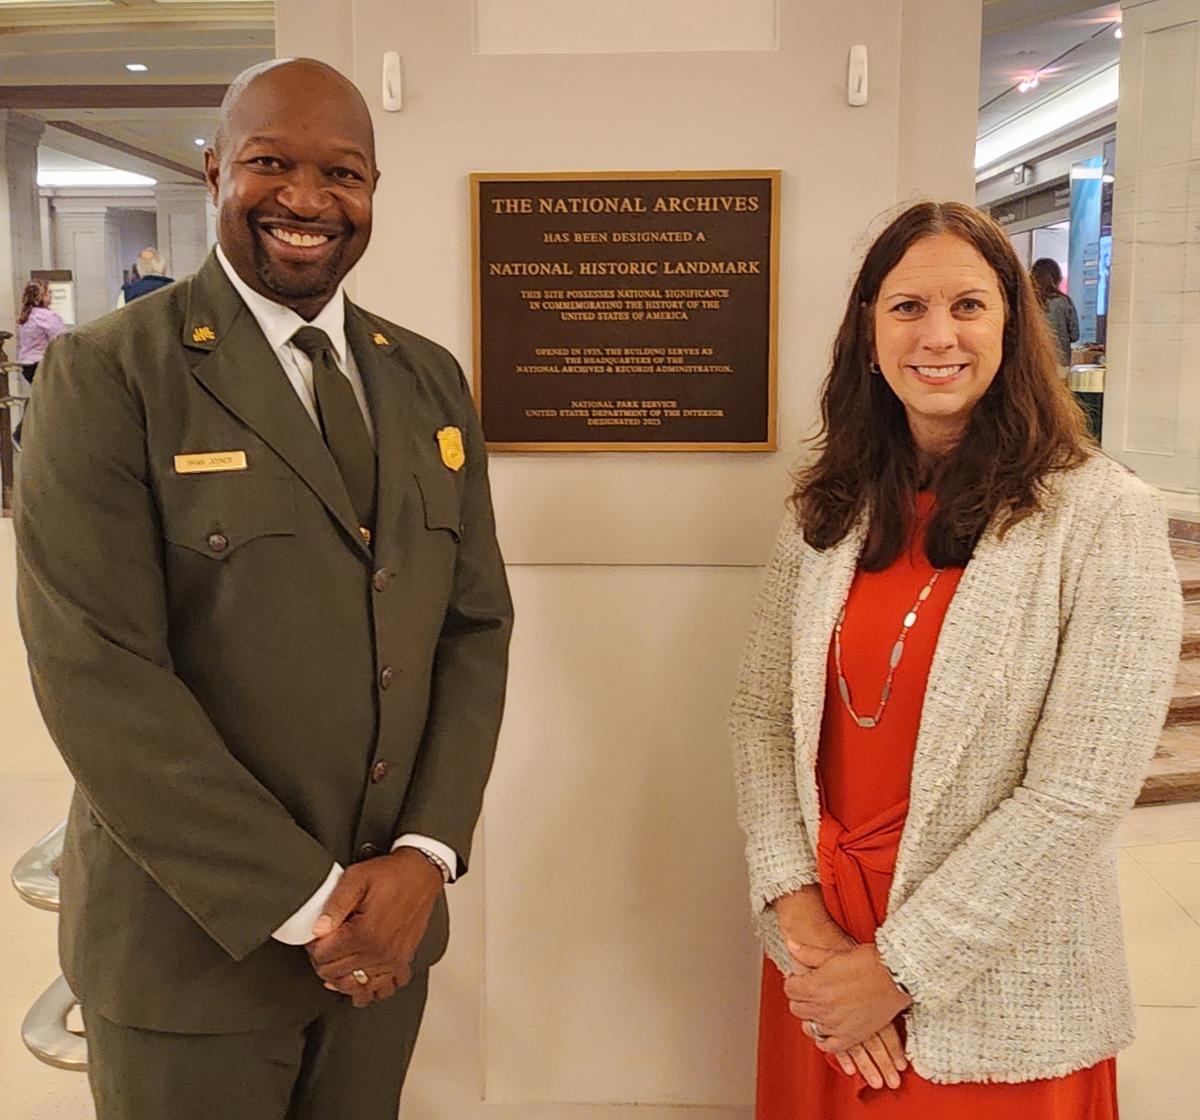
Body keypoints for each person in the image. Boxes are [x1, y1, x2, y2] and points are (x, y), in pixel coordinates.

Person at [15, 57, 512, 1120]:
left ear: (373, 190)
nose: (306, 199)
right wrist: (315, 902)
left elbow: (473, 628)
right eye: (269, 163)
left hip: (390, 934)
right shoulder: (110, 377)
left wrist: (424, 856)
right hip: (192, 955)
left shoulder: (428, 378)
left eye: (343, 173)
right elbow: (100, 681)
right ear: (212, 173)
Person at [731, 201, 1181, 1118]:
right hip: (821, 958)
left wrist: (895, 971)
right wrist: (795, 910)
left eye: (969, 306)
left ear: (1012, 329)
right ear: (868, 333)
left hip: (996, 971)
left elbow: (1081, 790)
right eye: (907, 307)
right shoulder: (825, 510)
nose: (938, 335)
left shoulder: (1099, 516)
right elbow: (760, 715)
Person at [1029, 257, 1079, 370]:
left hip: (1032, 362)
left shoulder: (1025, 302)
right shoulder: (1064, 302)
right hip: (1060, 362)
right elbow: (1075, 335)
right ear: (1057, 277)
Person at [16, 278, 65, 382]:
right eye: (49, 292)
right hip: (42, 364)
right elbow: (61, 340)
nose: (51, 295)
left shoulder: (27, 315)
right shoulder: (46, 316)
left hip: (27, 363)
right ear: (42, 296)